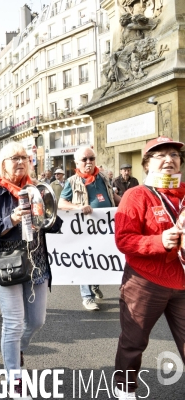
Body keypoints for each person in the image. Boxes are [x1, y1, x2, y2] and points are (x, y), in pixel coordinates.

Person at [0, 143, 62, 399]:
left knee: (37, 320)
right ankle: (14, 374)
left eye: (24, 157)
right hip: (7, 264)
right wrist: (11, 220)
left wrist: (45, 212)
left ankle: (17, 348)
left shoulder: (36, 188)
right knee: (13, 323)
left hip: (35, 261)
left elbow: (54, 224)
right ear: (3, 163)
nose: (20, 162)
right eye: (14, 158)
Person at [112, 137, 185, 399]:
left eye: (174, 156)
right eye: (160, 155)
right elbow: (124, 240)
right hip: (145, 282)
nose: (169, 159)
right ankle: (125, 389)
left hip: (182, 283)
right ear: (146, 164)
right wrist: (159, 241)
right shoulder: (136, 195)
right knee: (134, 342)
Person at [58, 147, 121, 311]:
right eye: (84, 159)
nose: (88, 162)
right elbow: (61, 203)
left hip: (105, 228)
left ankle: (94, 285)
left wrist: (129, 203)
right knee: (86, 261)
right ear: (77, 163)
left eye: (91, 158)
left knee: (100, 258)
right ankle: (87, 297)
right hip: (85, 230)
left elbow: (113, 197)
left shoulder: (103, 178)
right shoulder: (72, 181)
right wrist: (79, 207)